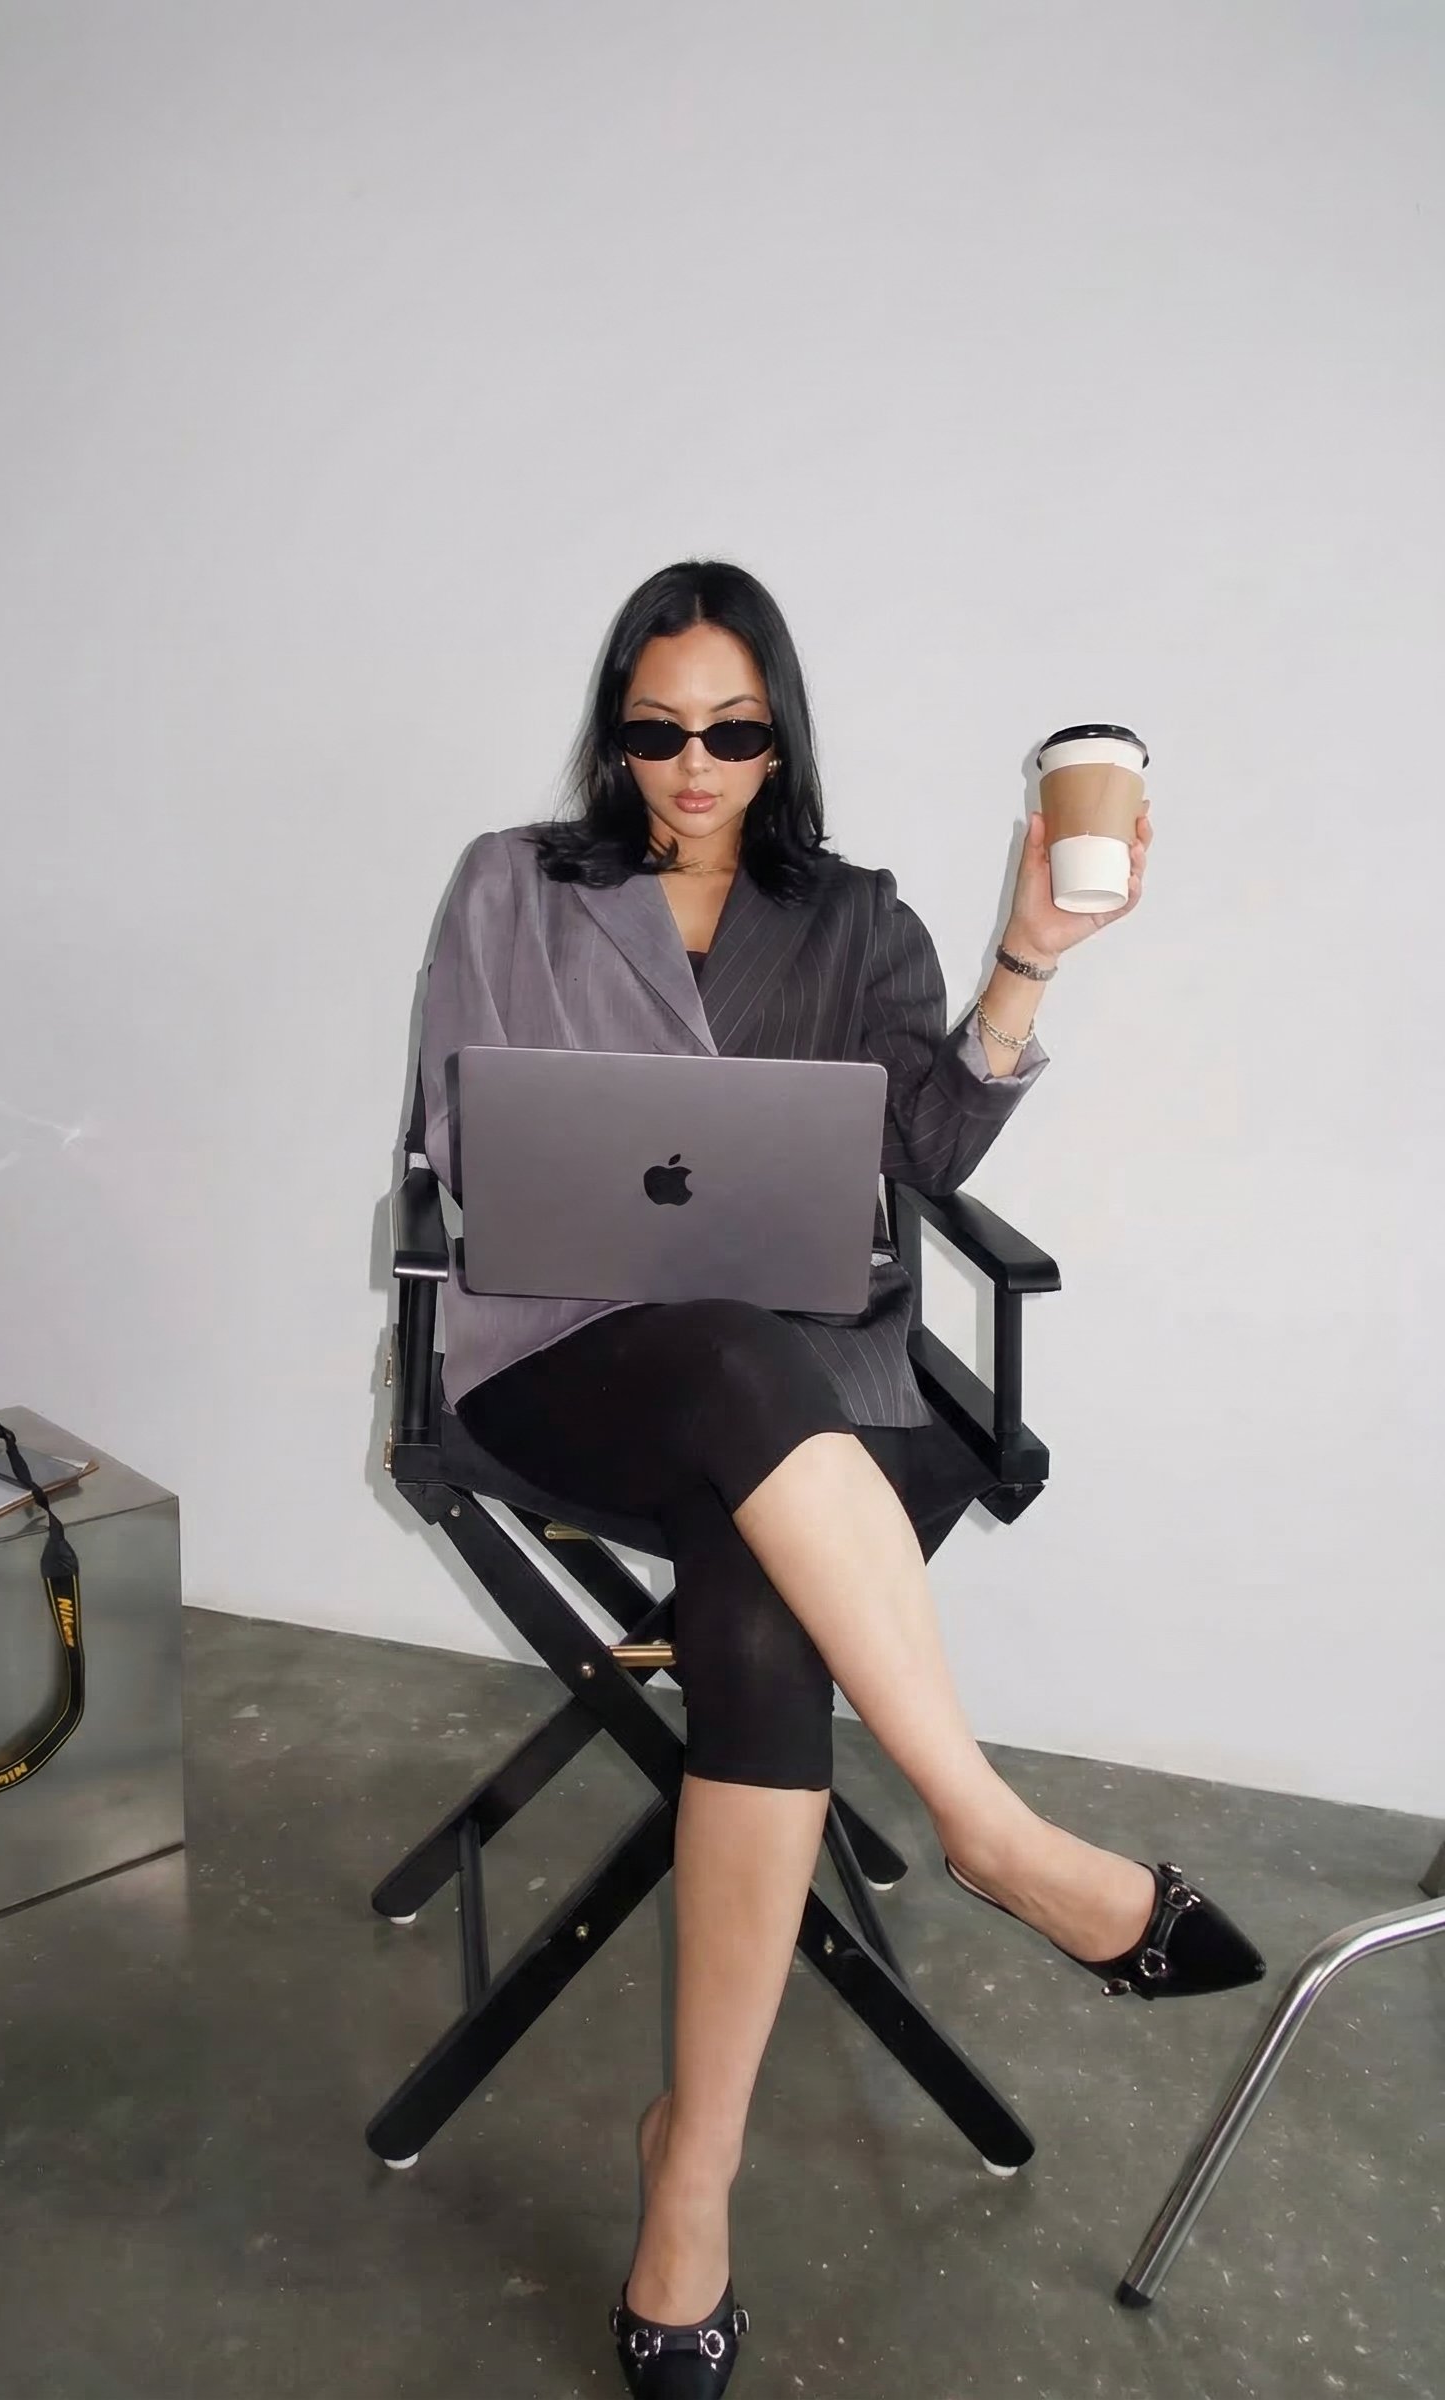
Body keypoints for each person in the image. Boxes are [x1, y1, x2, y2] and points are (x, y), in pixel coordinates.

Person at [414, 560, 1262, 2396]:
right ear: (613, 726)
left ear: (776, 726)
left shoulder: (857, 920)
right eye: (655, 728)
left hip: (810, 1399)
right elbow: (458, 1130)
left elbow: (932, 1144)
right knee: (721, 1346)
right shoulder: (515, 882)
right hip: (568, 1357)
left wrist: (1028, 954)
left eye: (728, 727)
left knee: (759, 1624)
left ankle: (688, 2186)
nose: (691, 763)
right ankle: (988, 1828)